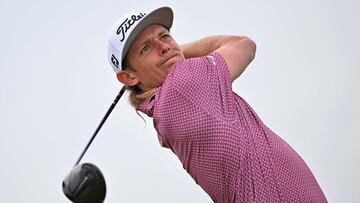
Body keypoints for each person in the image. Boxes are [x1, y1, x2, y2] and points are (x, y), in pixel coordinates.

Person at [106, 6, 327, 203]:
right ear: (128, 77)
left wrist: (169, 53)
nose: (163, 46)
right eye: (145, 48)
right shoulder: (182, 84)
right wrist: (176, 51)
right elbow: (243, 45)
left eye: (165, 36)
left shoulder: (167, 106)